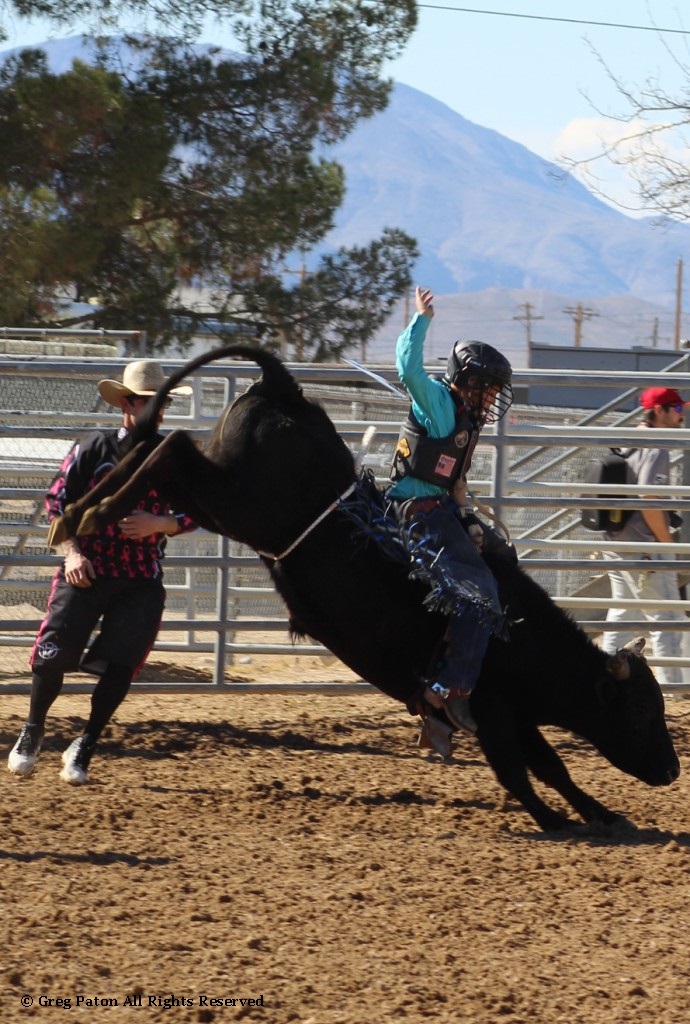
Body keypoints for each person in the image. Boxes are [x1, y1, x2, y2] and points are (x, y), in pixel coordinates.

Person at [7, 359, 196, 785]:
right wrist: (72, 552)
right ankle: (33, 729)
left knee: (122, 665)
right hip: (87, 569)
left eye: (161, 403)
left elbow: (196, 511)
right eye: (148, 402)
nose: (157, 410)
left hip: (140, 576)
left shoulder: (174, 458)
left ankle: (85, 744)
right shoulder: (93, 448)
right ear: (127, 404)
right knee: (52, 656)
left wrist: (161, 524)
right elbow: (57, 502)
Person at [387, 285, 516, 757]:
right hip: (417, 514)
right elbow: (407, 370)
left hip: (441, 509)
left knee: (503, 560)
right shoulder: (440, 405)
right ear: (468, 381)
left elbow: (454, 483)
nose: (494, 396)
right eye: (489, 387)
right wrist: (421, 319)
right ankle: (445, 690)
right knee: (478, 592)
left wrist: (469, 517)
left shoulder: (465, 418)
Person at [602, 385, 688, 686]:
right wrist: (667, 543)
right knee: (666, 619)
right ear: (659, 411)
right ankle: (674, 689)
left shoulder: (630, 439)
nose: (682, 415)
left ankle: (606, 677)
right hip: (644, 549)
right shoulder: (656, 445)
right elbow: (648, 498)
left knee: (622, 612)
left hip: (617, 543)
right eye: (676, 409)